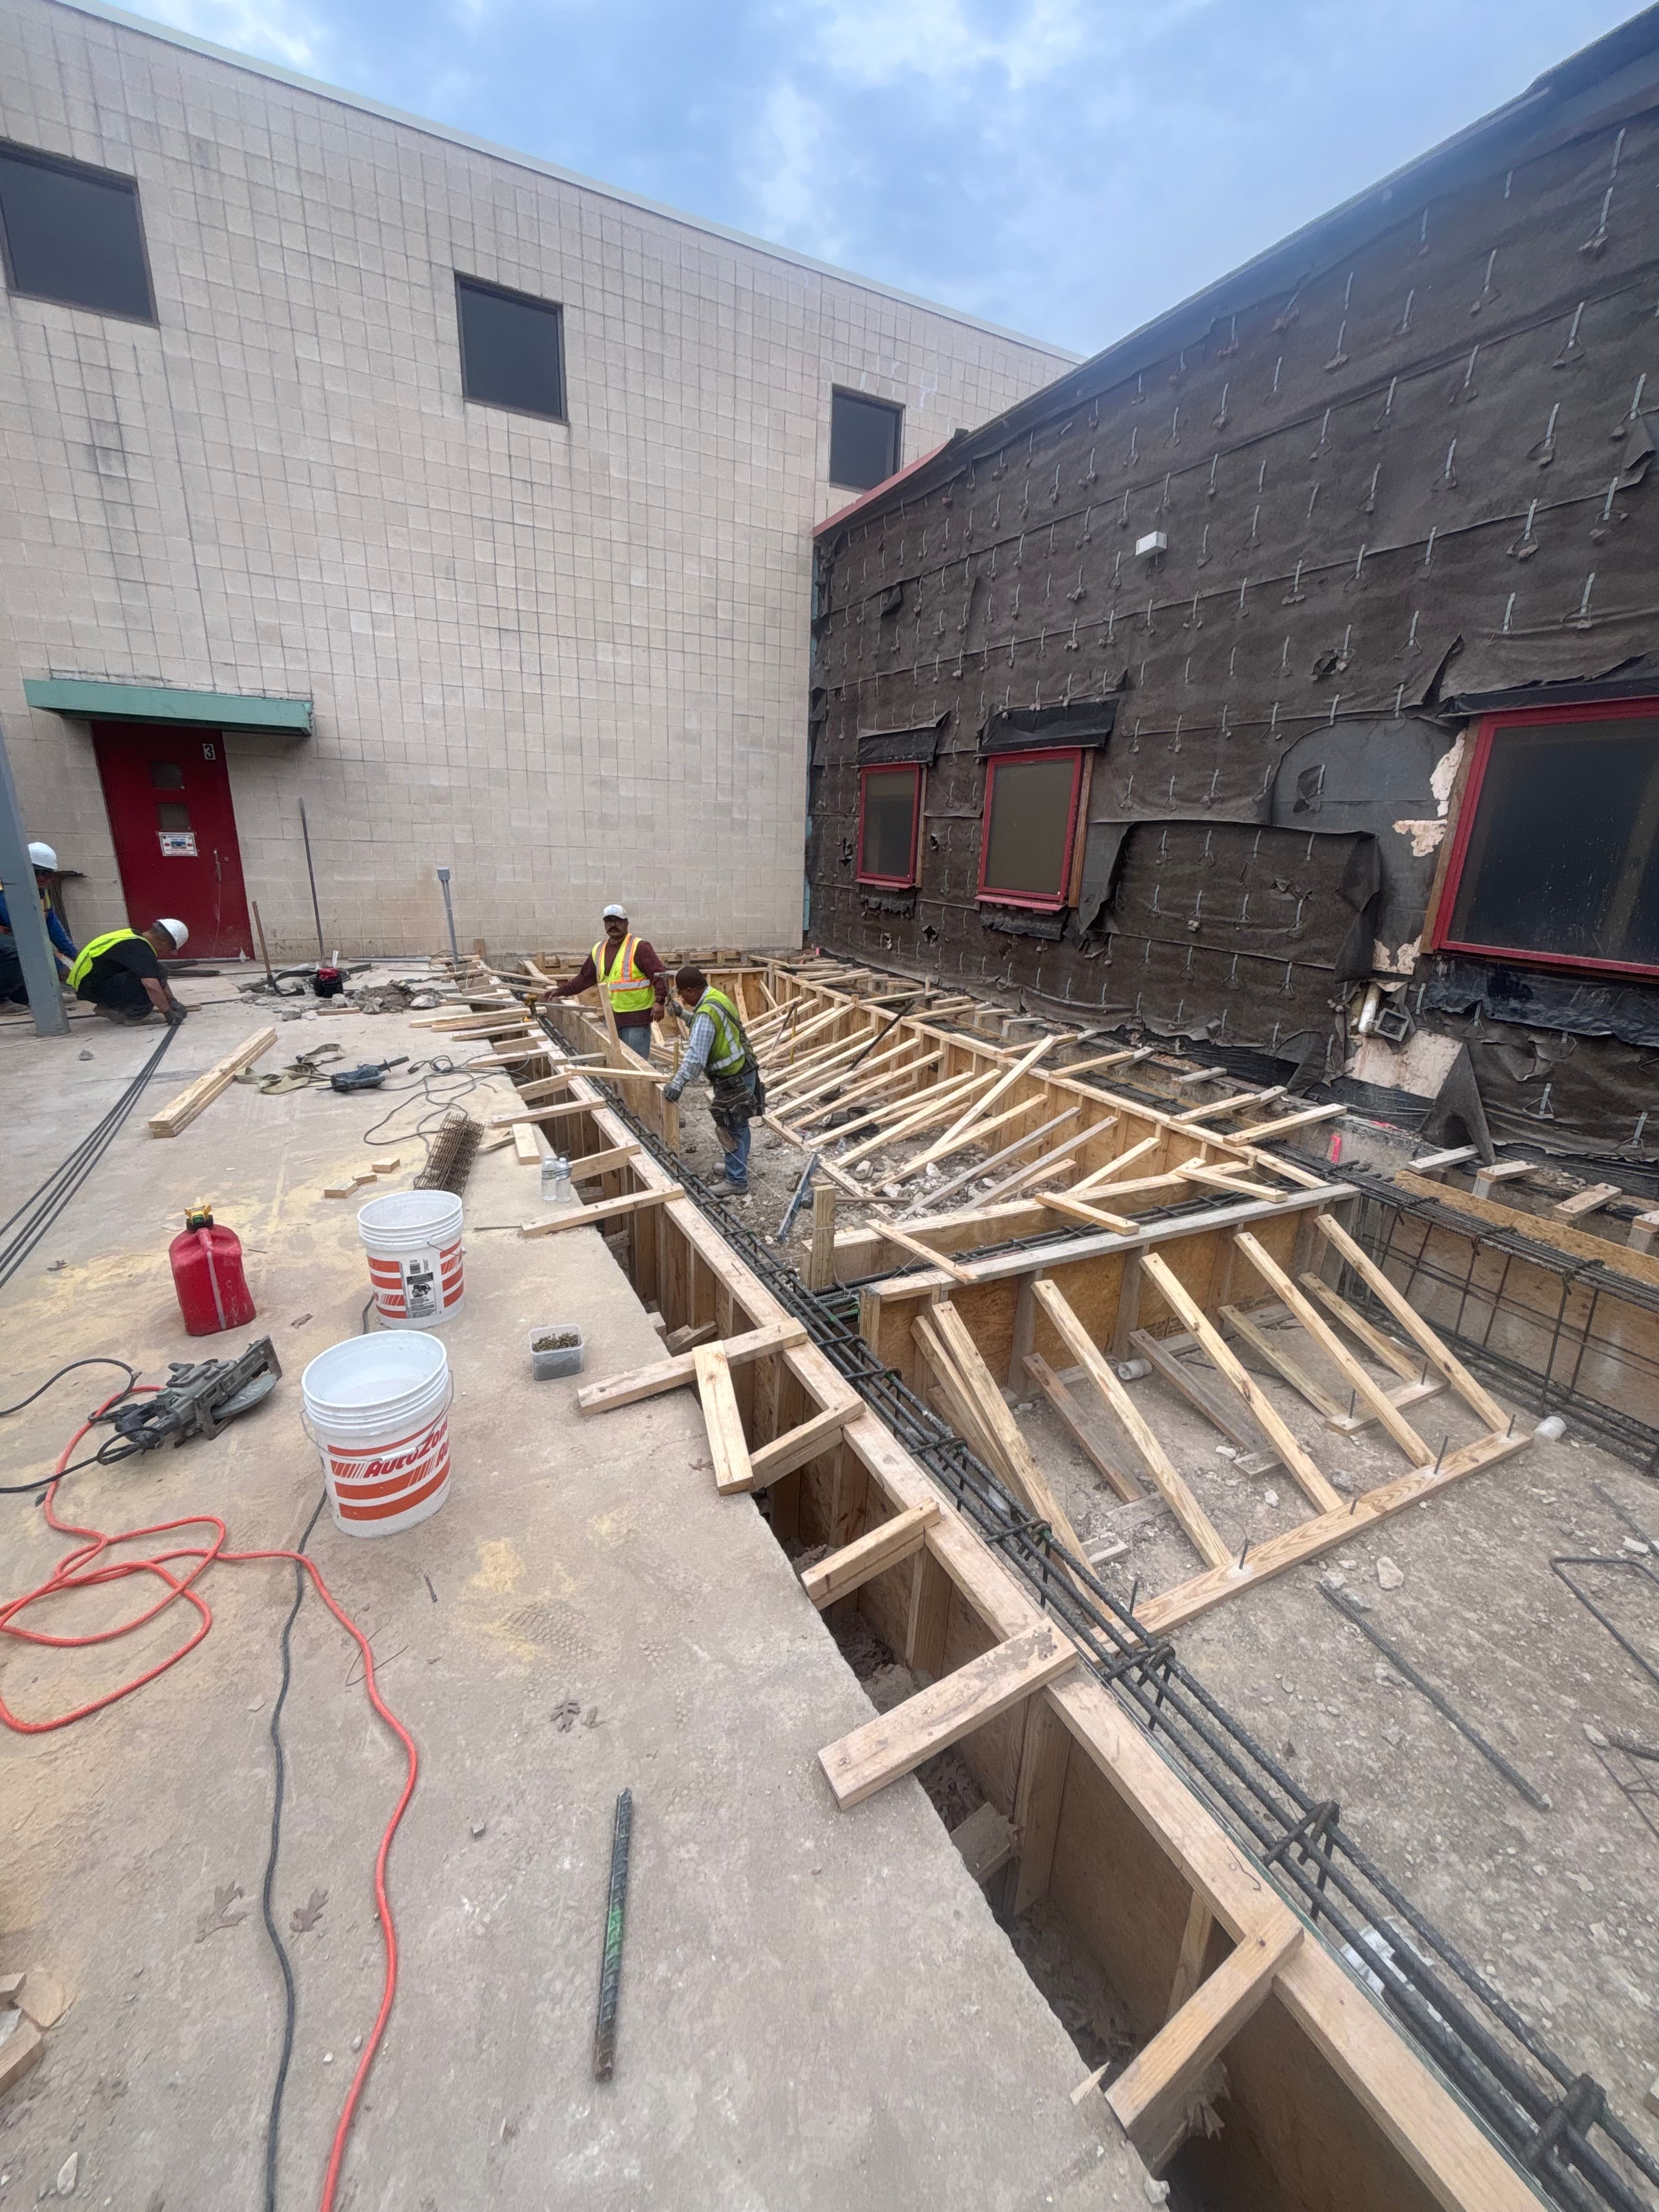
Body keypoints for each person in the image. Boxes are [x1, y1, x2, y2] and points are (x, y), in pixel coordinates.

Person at [662, 964, 766, 1200]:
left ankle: (736, 1180)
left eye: (682, 994)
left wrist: (678, 1083)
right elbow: (705, 1026)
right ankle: (736, 1167)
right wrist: (682, 1014)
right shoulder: (716, 998)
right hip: (744, 1070)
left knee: (731, 1126)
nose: (682, 998)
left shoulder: (706, 1012)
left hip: (733, 1078)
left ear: (691, 990)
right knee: (740, 1124)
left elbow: (696, 1055)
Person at [540, 904, 668, 1059]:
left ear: (626, 923)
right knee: (617, 1062)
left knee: (637, 1065)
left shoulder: (639, 947)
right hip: (612, 1018)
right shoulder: (599, 949)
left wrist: (660, 1001)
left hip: (637, 1020)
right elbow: (585, 978)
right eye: (609, 921)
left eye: (617, 921)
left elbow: (659, 975)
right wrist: (561, 991)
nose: (613, 925)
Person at [66, 918, 191, 1024]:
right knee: (156, 974)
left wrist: (172, 1001)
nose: (166, 953)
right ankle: (135, 1016)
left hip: (91, 986)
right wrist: (168, 1013)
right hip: (94, 988)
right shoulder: (141, 950)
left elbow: (153, 972)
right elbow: (152, 985)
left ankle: (111, 1008)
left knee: (157, 970)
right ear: (164, 943)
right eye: (169, 949)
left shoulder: (131, 937)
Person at [0, 841, 76, 1003]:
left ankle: (17, 996)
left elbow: (57, 934)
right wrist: (58, 967)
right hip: (6, 950)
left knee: (29, 999)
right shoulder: (5, 892)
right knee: (19, 951)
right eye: (37, 872)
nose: (42, 877)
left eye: (47, 873)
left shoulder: (42, 896)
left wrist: (79, 961)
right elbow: (27, 934)